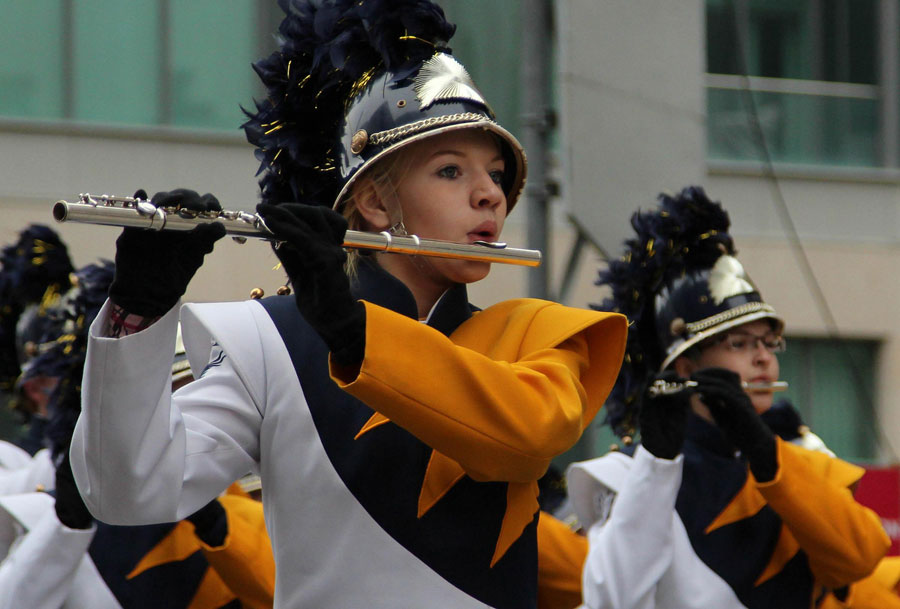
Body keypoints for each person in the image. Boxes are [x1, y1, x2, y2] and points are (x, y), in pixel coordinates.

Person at [69, 1, 628, 608]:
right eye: (449, 170)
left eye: (496, 173)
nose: (490, 193)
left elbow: (526, 436)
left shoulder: (537, 332)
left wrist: (352, 331)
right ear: (375, 207)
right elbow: (127, 492)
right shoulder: (269, 339)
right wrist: (138, 315)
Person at [566, 186, 889, 609]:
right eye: (738, 344)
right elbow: (612, 599)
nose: (762, 360)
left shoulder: (801, 456)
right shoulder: (628, 472)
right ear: (685, 367)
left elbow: (859, 558)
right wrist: (657, 463)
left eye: (769, 343)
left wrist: (764, 452)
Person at [0, 260, 275, 609]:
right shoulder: (36, 498)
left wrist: (214, 522)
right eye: (175, 391)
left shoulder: (240, 505)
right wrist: (65, 524)